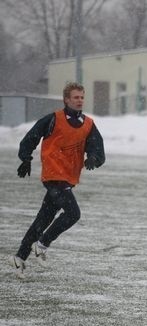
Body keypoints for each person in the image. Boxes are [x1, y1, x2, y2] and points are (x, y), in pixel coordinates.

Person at [8, 82, 105, 278]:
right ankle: (42, 244)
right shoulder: (53, 119)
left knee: (43, 218)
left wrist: (94, 157)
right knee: (73, 213)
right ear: (66, 100)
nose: (79, 101)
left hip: (68, 178)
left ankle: (19, 257)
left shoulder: (88, 124)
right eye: (75, 97)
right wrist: (26, 158)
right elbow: (31, 137)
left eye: (82, 97)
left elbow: (97, 148)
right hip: (53, 176)